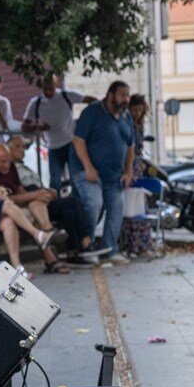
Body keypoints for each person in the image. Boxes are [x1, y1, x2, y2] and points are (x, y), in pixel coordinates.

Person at [70, 80, 135, 265]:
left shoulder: (126, 116)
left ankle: (110, 249)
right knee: (94, 204)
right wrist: (89, 167)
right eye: (123, 95)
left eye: (128, 95)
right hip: (87, 172)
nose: (126, 99)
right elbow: (78, 141)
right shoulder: (92, 112)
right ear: (110, 95)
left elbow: (130, 146)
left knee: (116, 208)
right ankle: (86, 247)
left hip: (114, 176)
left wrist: (128, 172)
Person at [8, 134, 95, 264]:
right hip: (34, 204)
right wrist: (38, 194)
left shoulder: (26, 168)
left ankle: (73, 252)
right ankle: (86, 239)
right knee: (73, 202)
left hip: (42, 198)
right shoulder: (10, 169)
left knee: (68, 212)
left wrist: (48, 192)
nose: (23, 150)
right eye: (18, 147)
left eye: (23, 146)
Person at [0, 143, 68, 273]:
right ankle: (44, 237)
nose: (6, 165)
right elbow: (5, 201)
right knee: (19, 214)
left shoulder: (12, 168)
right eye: (2, 162)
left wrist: (40, 194)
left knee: (36, 203)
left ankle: (46, 233)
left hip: (18, 209)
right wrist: (34, 194)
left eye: (8, 161)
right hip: (2, 212)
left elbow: (21, 192)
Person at [21, 73, 96, 187]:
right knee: (55, 181)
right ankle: (57, 202)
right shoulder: (36, 103)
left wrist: (90, 118)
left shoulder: (65, 95)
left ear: (55, 85)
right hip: (53, 146)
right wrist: (39, 128)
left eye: (51, 88)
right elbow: (24, 127)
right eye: (46, 89)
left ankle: (76, 202)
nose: (48, 92)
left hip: (71, 142)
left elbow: (90, 99)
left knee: (75, 177)